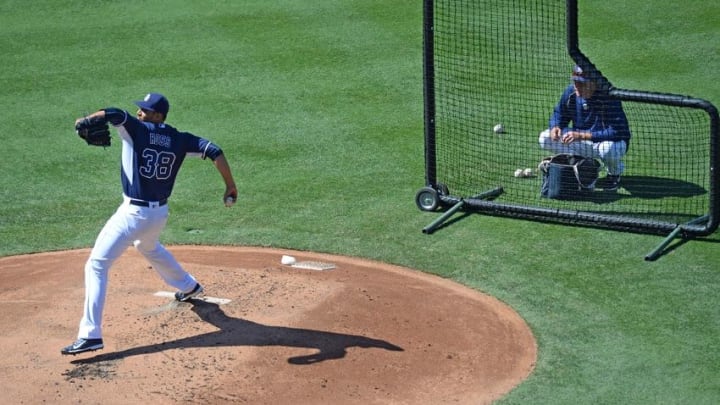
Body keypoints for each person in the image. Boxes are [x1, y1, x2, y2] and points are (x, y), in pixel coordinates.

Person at [61, 92, 238, 355]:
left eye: (145, 110)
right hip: (158, 215)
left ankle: (90, 335)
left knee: (97, 264)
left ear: (157, 115)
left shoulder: (137, 129)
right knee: (149, 247)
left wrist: (85, 119)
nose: (140, 113)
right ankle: (189, 286)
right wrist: (230, 186)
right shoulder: (179, 139)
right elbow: (214, 151)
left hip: (132, 214)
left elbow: (112, 113)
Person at [538, 65, 631, 190]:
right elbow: (559, 113)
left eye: (582, 84)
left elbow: (617, 131)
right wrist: (556, 126)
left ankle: (613, 175)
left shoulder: (609, 97)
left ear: (594, 83)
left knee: (608, 149)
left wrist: (582, 136)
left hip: (605, 142)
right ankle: (582, 165)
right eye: (575, 82)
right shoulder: (570, 93)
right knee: (545, 138)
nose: (577, 87)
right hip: (580, 141)